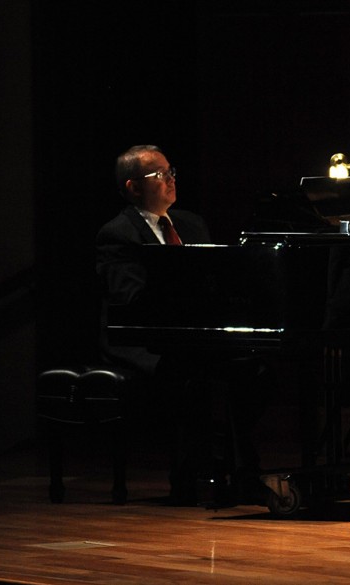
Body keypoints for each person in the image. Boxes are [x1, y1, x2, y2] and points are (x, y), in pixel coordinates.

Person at [96, 144, 266, 506]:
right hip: (143, 341)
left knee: (253, 366)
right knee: (191, 372)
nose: (170, 179)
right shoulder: (117, 234)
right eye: (160, 175)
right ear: (133, 187)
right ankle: (191, 477)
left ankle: (244, 472)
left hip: (190, 336)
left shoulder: (190, 224)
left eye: (171, 171)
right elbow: (129, 298)